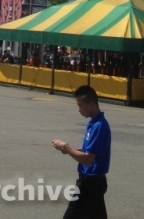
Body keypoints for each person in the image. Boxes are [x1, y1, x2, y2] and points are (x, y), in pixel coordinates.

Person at [52, 85, 111, 219]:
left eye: (80, 105)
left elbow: (88, 159)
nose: (79, 110)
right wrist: (70, 150)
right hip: (92, 182)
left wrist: (66, 147)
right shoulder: (93, 123)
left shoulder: (99, 126)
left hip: (90, 183)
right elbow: (89, 151)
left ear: (91, 104)